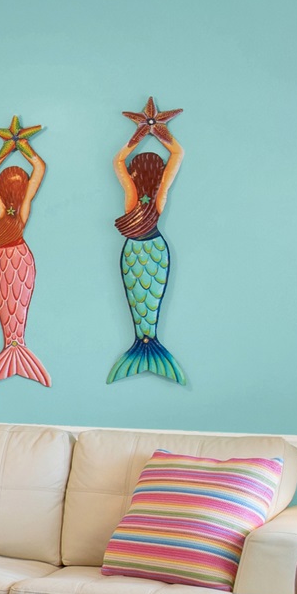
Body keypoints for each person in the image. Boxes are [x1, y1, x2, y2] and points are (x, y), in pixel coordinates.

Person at [108, 98, 186, 384]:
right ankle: (148, 341)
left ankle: (143, 342)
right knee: (150, 299)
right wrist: (159, 129)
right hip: (156, 249)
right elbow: (178, 153)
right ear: (159, 174)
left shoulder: (131, 196)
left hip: (133, 250)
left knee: (138, 298)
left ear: (134, 174)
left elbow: (117, 161)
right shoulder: (159, 197)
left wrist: (139, 134)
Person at [0, 117, 51, 389]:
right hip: (21, 257)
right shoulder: (24, 208)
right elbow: (40, 167)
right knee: (16, 305)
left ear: (1, 188)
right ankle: (15, 345)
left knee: (7, 304)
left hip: (2, 260)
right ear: (24, 188)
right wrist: (23, 146)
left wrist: (6, 148)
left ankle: (13, 345)